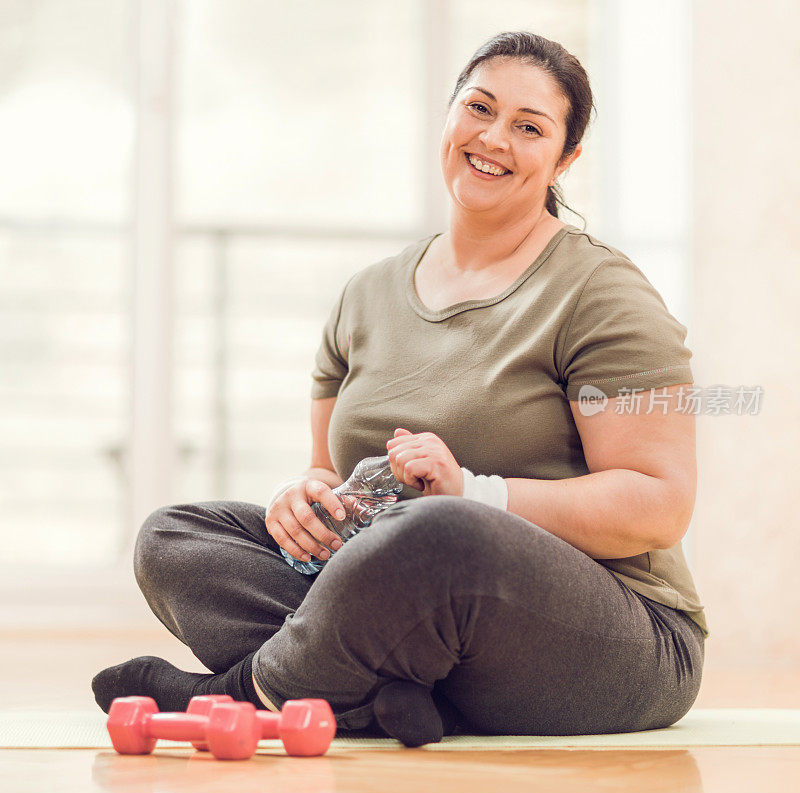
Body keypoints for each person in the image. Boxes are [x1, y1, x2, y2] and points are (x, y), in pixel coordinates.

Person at [91, 31, 709, 748]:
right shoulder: (367, 295)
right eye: (479, 108)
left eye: (529, 127)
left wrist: (474, 494)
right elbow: (329, 468)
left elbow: (661, 505)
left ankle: (238, 695)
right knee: (175, 537)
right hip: (413, 608)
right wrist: (307, 499)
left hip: (616, 635)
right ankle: (389, 699)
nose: (493, 137)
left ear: (566, 158)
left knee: (435, 533)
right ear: (448, 116)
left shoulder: (602, 293)